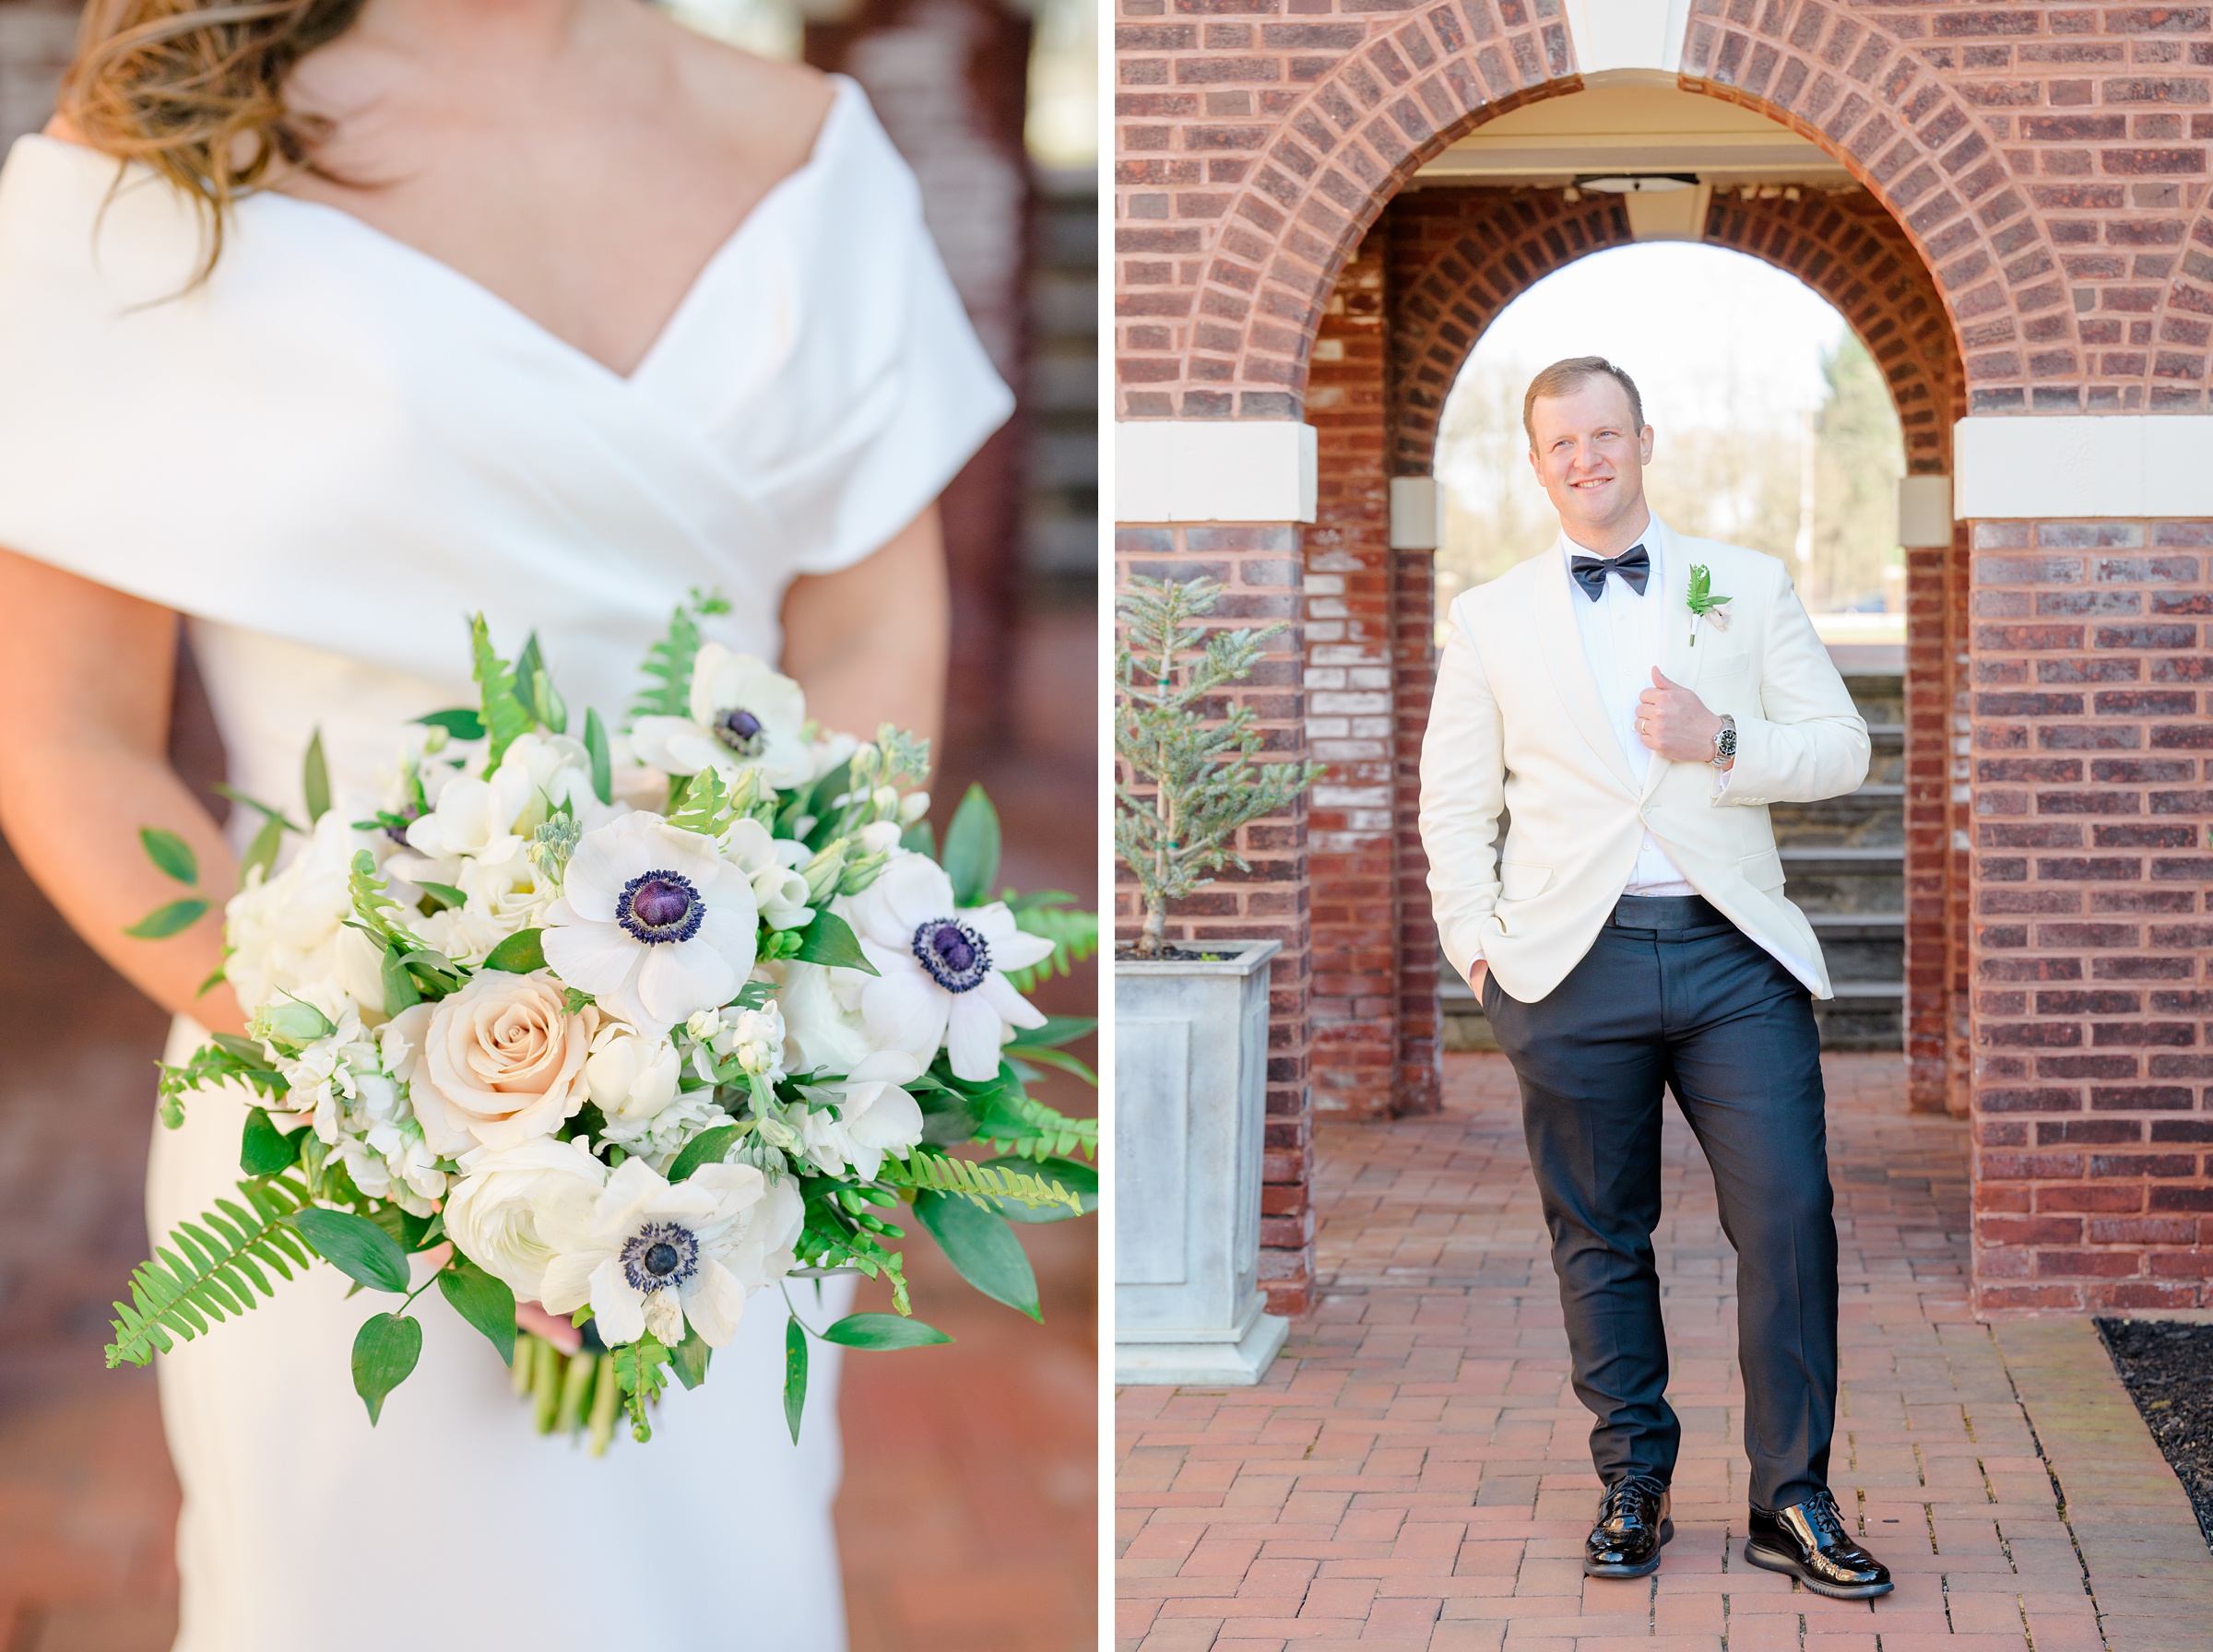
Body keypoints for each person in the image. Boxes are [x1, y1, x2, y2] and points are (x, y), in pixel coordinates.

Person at [0, 3, 1010, 1647]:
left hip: (717, 1149)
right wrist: (399, 1097)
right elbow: (63, 736)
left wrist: (753, 1026)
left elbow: (863, 646)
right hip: (324, 1144)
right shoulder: (164, 156)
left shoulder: (809, 155)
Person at [1417, 356, 1893, 1599]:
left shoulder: (1744, 582)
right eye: (1562, 442)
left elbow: (1844, 746)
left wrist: (1720, 740)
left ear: (1643, 440)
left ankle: (1791, 1494)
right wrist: (1482, 951)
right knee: (1600, 1233)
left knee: (1788, 1215)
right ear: (1536, 463)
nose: (1586, 458)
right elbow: (1453, 805)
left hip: (1734, 952)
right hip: (1571, 967)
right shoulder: (1492, 614)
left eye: (1606, 434)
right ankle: (1633, 1480)